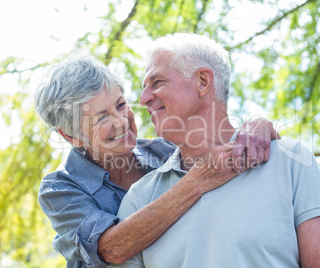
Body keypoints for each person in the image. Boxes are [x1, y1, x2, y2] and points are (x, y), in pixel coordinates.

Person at [111, 33, 320, 268]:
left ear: (202, 81)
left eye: (157, 82)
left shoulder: (292, 164)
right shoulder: (140, 198)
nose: (143, 98)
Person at [34, 54, 279, 267]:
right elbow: (111, 248)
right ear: (71, 135)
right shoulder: (60, 188)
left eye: (121, 105)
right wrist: (197, 181)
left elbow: (221, 147)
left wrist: (255, 125)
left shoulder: (164, 150)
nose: (121, 121)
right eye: (102, 118)